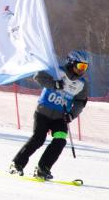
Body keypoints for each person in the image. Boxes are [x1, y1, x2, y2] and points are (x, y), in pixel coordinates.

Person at [9, 50, 90, 179]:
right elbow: (38, 76)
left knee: (60, 140)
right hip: (43, 113)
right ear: (71, 63)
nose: (82, 70)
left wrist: (71, 115)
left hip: (60, 118)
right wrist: (54, 84)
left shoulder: (82, 84)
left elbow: (80, 102)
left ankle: (43, 168)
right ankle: (17, 163)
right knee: (38, 139)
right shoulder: (57, 72)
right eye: (80, 66)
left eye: (85, 67)